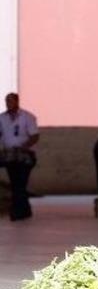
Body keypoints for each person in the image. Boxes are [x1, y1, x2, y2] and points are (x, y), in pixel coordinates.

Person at [0, 92, 39, 221]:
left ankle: (17, 211)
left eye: (10, 101)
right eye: (6, 101)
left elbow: (35, 136)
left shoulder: (27, 117)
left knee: (20, 183)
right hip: (10, 156)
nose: (8, 104)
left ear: (17, 102)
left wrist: (25, 146)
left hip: (25, 156)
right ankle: (25, 210)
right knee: (16, 183)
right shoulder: (2, 118)